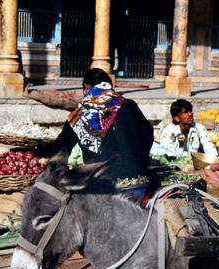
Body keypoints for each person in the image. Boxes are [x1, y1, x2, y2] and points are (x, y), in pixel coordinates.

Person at [37, 68, 155, 202]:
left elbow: (62, 147)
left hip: (105, 188)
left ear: (87, 88)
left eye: (85, 90)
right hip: (140, 183)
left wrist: (36, 153)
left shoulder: (80, 114)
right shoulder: (129, 105)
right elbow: (148, 134)